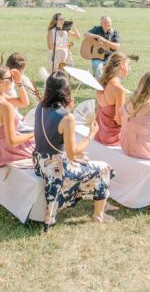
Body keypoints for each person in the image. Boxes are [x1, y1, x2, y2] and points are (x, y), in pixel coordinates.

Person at [32, 71, 114, 228]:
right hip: (57, 171)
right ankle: (98, 215)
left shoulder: (39, 107)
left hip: (40, 164)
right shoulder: (67, 118)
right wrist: (91, 135)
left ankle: (102, 201)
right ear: (66, 91)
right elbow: (72, 153)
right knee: (104, 168)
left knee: (85, 161)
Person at [94, 53, 130, 146]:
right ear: (121, 64)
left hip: (98, 135)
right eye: (128, 64)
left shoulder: (102, 83)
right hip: (112, 138)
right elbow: (119, 120)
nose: (129, 68)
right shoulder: (119, 90)